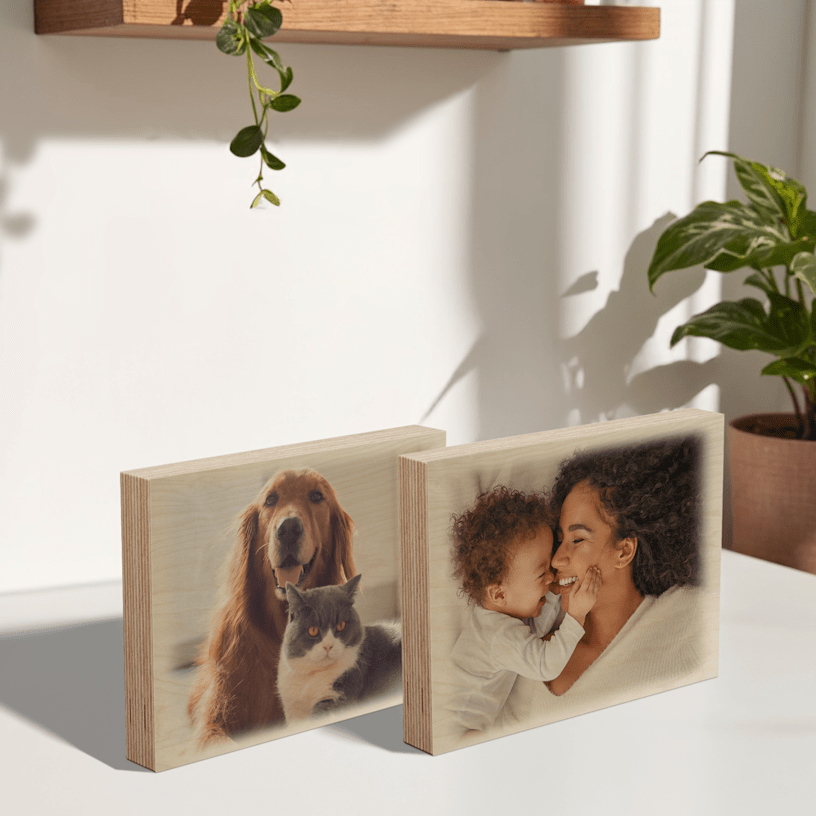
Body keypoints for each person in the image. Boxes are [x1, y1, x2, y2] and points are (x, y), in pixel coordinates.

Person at [504, 436, 706, 724]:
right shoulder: (534, 646)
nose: (557, 560)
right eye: (561, 539)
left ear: (624, 551)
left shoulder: (682, 625)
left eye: (578, 539)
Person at [448, 485, 601, 734]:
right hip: (457, 727)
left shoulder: (503, 617)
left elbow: (536, 631)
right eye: (542, 574)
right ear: (499, 593)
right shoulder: (498, 635)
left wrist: (555, 594)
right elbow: (544, 663)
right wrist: (576, 615)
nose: (551, 576)